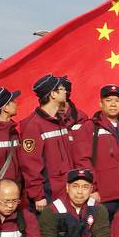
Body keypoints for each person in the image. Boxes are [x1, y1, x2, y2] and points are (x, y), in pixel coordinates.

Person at [18, 74, 75, 212]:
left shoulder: (60, 120)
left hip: (65, 190)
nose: (65, 91)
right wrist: (38, 195)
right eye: (61, 89)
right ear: (53, 94)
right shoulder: (34, 125)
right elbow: (30, 164)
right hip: (48, 194)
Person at [71, 84, 119, 218]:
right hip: (103, 196)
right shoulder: (89, 127)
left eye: (117, 101)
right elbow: (82, 160)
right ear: (100, 103)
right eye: (108, 100)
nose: (113, 104)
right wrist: (93, 188)